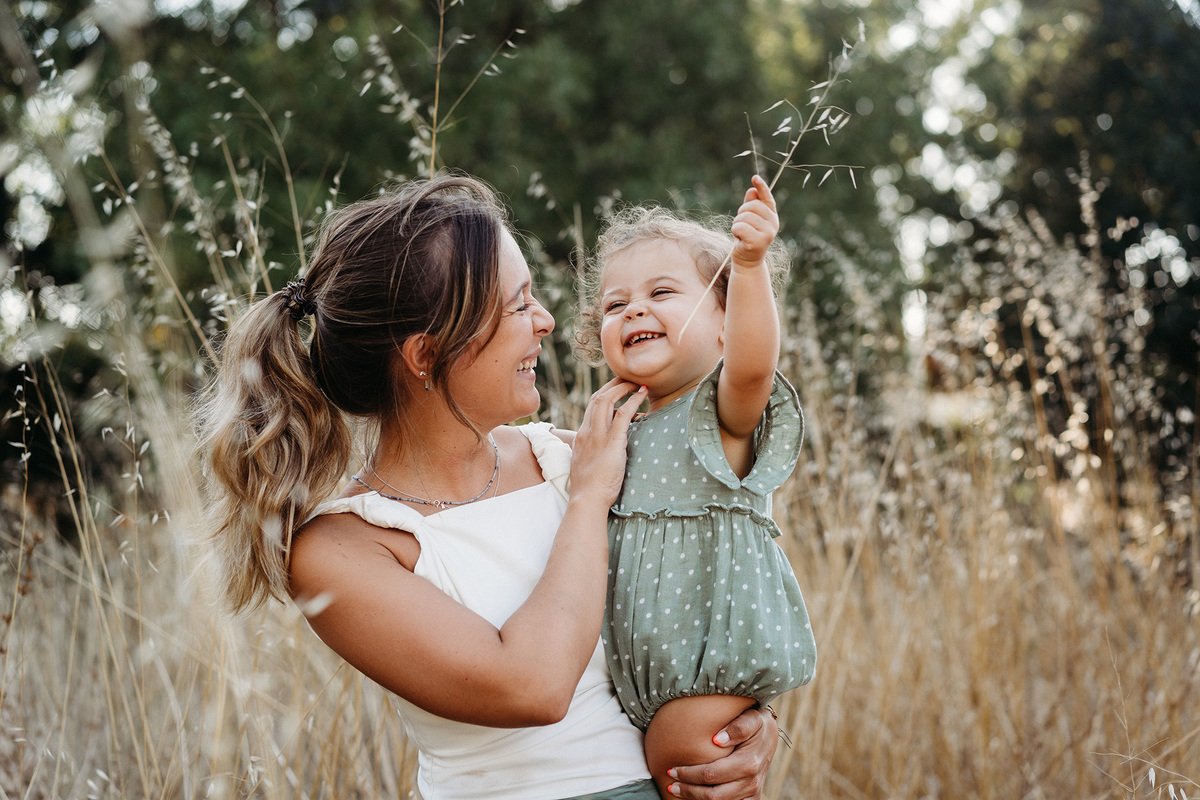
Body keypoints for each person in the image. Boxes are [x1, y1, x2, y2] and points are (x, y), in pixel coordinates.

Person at [194, 174, 779, 800]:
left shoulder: (569, 458)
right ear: (427, 353)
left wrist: (744, 721)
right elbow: (534, 687)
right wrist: (587, 502)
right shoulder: (342, 551)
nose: (547, 322)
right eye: (519, 305)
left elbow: (711, 581)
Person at [575, 175, 817, 798]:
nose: (632, 310)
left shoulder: (720, 415)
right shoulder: (616, 425)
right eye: (613, 304)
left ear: (723, 322)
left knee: (688, 770)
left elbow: (754, 362)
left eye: (662, 292)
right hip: (639, 680)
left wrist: (749, 265)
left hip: (705, 668)